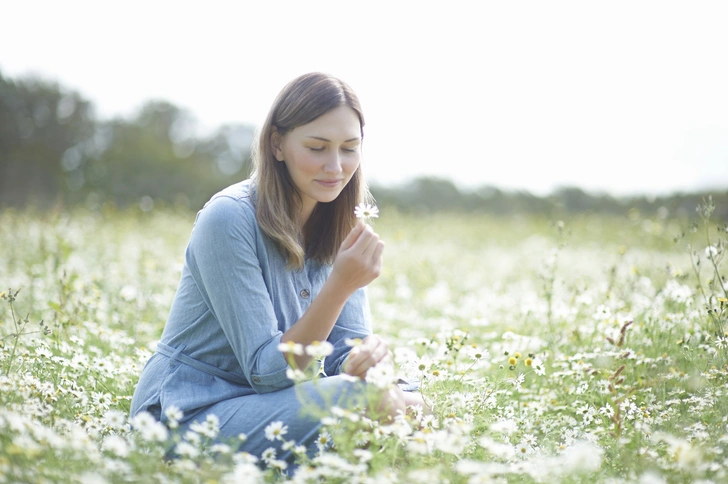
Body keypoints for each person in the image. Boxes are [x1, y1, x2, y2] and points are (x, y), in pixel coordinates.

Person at [129, 72, 424, 463]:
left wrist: (371, 359)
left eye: (349, 149)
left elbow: (342, 356)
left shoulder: (339, 226)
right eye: (317, 148)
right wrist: (339, 285)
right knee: (374, 403)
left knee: (417, 403)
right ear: (277, 144)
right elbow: (267, 373)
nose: (335, 166)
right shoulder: (228, 219)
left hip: (273, 408)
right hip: (190, 413)